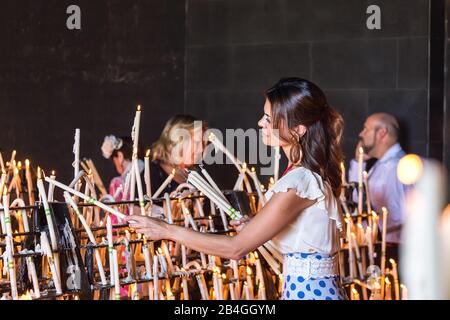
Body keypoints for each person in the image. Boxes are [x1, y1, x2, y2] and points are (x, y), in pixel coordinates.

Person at [125, 78, 347, 300]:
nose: (261, 123)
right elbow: (303, 239)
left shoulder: (300, 181)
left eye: (269, 119)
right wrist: (255, 227)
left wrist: (167, 230)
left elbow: (236, 248)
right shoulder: (303, 174)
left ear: (297, 130)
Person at [348, 113, 410, 262]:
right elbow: (357, 199)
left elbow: (400, 217)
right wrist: (359, 162)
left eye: (366, 129)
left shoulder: (395, 167)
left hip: (390, 252)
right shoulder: (381, 164)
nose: (360, 134)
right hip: (375, 247)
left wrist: (364, 231)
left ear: (382, 133)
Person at [149, 114, 206, 196]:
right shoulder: (152, 174)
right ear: (177, 141)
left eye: (203, 143)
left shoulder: (196, 174)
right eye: (196, 142)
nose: (201, 149)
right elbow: (137, 208)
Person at [101, 135, 143, 201]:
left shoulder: (117, 183)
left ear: (120, 156)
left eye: (114, 160)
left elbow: (115, 210)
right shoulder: (150, 172)